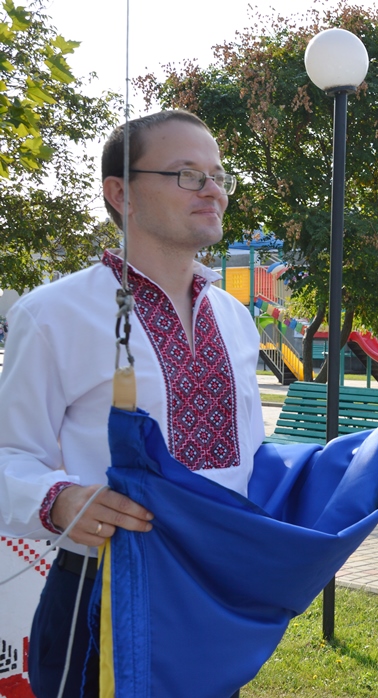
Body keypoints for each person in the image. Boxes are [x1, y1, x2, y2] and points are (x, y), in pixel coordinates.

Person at [0, 110, 264, 698]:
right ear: (120, 193)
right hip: (103, 596)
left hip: (213, 594)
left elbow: (253, 453)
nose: (213, 190)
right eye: (187, 175)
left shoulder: (235, 317)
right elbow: (8, 455)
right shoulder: (51, 314)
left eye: (218, 175)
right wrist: (60, 499)